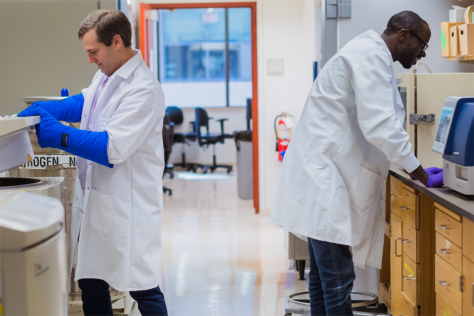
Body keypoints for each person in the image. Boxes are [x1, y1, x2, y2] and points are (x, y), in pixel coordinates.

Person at [269, 11, 442, 316]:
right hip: (323, 181)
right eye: (422, 45)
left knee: (324, 280)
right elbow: (381, 125)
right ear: (403, 35)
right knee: (337, 280)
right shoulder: (369, 57)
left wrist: (412, 164)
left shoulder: (369, 54)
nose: (422, 53)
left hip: (322, 178)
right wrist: (419, 173)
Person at [19, 10, 168, 316]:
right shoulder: (107, 74)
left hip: (129, 208)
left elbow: (110, 147)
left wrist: (58, 135)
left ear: (116, 42)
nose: (90, 60)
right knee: (91, 282)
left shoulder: (143, 89)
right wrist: (51, 108)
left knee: (143, 288)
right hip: (99, 202)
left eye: (93, 52)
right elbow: (86, 102)